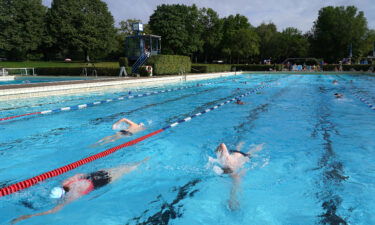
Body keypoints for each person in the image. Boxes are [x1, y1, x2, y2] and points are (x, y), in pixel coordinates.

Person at [12, 157, 150, 224]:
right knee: (124, 167)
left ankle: (143, 163)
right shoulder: (66, 182)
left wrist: (29, 217)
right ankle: (142, 161)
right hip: (96, 174)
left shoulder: (73, 196)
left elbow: (53, 211)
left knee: (127, 170)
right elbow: (80, 175)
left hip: (102, 182)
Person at [207, 142, 264, 210]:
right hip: (237, 155)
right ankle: (261, 144)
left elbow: (235, 188)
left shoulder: (229, 166)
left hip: (242, 156)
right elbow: (222, 145)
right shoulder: (225, 162)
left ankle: (262, 144)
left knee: (252, 151)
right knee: (245, 149)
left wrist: (232, 201)